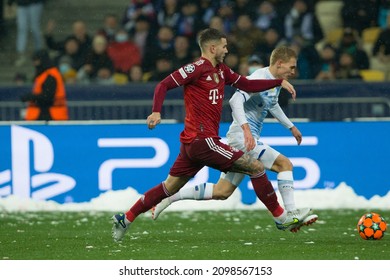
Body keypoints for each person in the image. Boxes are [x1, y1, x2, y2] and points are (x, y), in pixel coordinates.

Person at [111, 28, 308, 242]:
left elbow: (247, 84)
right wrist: (156, 110)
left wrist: (277, 82)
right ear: (212, 48)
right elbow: (163, 85)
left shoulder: (222, 70)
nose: (226, 49)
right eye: (223, 46)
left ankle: (126, 218)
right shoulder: (196, 68)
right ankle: (281, 218)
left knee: (169, 187)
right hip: (202, 140)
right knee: (256, 167)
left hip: (192, 144)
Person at [151, 46, 318, 230]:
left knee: (222, 191)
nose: (293, 72)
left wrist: (291, 127)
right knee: (284, 165)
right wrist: (246, 129)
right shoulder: (258, 78)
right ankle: (289, 214)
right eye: (291, 67)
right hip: (242, 139)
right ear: (280, 63)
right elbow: (235, 101)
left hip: (243, 138)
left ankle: (171, 197)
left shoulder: (273, 81)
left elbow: (272, 104)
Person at [20, 50, 69, 121]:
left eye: (36, 60)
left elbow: (48, 97)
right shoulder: (45, 74)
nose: (34, 63)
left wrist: (31, 97)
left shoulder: (50, 75)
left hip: (51, 115)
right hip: (50, 114)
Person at [7, 0, 44, 67]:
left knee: (34, 28)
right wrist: (10, 3)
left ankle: (39, 52)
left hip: (34, 4)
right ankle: (21, 55)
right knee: (21, 29)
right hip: (21, 4)